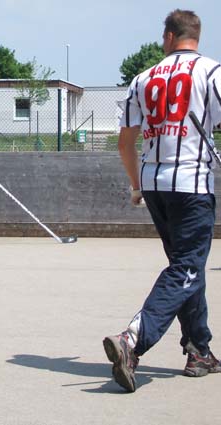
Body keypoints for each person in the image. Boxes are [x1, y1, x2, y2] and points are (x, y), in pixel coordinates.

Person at [103, 9, 221, 393]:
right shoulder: (212, 72)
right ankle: (133, 340)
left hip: (155, 184)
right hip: (192, 184)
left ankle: (199, 349)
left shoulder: (142, 79)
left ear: (169, 36)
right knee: (187, 267)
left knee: (186, 268)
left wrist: (136, 187)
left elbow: (125, 143)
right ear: (196, 36)